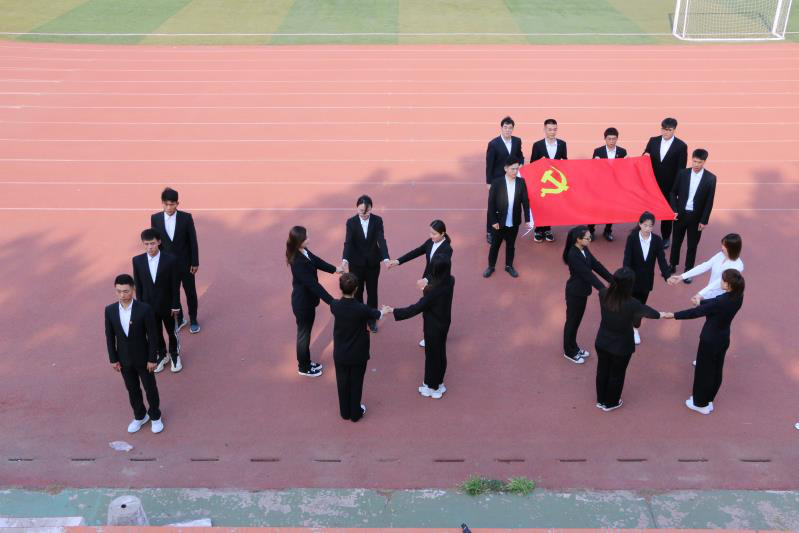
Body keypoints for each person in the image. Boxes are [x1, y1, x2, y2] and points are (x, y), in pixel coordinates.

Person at [664, 269, 745, 415]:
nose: (720, 282)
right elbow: (714, 303)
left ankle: (700, 404)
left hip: (709, 340)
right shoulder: (738, 296)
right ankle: (709, 399)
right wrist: (701, 301)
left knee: (703, 371)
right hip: (723, 337)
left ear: (728, 285)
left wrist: (674, 315)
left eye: (723, 280)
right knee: (716, 369)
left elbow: (695, 313)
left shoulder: (721, 302)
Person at [595, 267, 664, 411]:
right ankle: (611, 403)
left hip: (602, 341)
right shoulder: (633, 304)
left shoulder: (603, 294)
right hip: (621, 347)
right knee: (617, 374)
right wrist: (667, 315)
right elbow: (654, 314)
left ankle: (601, 400)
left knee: (602, 370)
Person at [104, 274, 164, 434]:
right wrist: (113, 359)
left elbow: (153, 336)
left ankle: (155, 416)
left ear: (133, 290)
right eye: (118, 291)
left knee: (150, 388)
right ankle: (140, 416)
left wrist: (152, 358)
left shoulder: (144, 309)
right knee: (132, 389)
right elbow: (109, 336)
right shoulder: (110, 311)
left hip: (144, 359)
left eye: (125, 291)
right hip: (124, 360)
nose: (122, 295)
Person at [329, 273, 390, 422]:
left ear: (341, 288)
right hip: (358, 353)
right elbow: (377, 314)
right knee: (356, 383)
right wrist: (385, 311)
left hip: (340, 353)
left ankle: (345, 412)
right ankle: (355, 413)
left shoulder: (335, 306)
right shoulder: (361, 309)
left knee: (342, 383)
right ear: (356, 289)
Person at [391, 258, 455, 399]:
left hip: (433, 327)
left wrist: (393, 311)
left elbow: (415, 308)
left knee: (432, 356)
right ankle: (438, 382)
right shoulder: (450, 280)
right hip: (443, 323)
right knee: (440, 353)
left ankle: (432, 386)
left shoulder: (432, 291)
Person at [387, 219, 452, 347]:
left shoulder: (447, 250)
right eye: (430, 233)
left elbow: (440, 268)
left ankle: (441, 334)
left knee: (440, 311)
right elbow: (416, 251)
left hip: (439, 284)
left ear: (443, 233)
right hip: (427, 283)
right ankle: (428, 336)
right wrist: (398, 261)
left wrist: (426, 280)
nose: (431, 236)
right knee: (427, 311)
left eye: (434, 234)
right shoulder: (430, 242)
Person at [287, 226, 341, 377]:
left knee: (305, 334)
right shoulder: (298, 262)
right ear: (299, 242)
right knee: (303, 336)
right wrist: (331, 301)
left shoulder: (303, 251)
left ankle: (306, 361)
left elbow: (316, 261)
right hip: (303, 304)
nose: (309, 239)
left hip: (307, 301)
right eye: (306, 238)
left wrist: (335, 269)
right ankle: (303, 367)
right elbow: (313, 285)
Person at [150, 187, 200, 333]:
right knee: (173, 293)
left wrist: (195, 262)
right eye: (166, 204)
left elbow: (193, 241)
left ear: (177, 203)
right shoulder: (155, 218)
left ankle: (194, 319)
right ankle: (181, 318)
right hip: (167, 265)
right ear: (162, 203)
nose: (169, 207)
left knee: (190, 292)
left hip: (186, 263)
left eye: (172, 204)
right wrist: (157, 262)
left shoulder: (186, 218)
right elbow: (156, 242)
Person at [132, 228, 181, 373]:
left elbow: (175, 285)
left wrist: (175, 304)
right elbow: (138, 285)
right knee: (155, 333)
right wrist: (140, 306)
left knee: (172, 332)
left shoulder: (171, 260)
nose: (149, 247)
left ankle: (175, 355)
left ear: (159, 242)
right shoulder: (137, 261)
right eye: (146, 244)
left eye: (152, 243)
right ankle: (162, 355)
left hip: (168, 305)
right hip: (148, 306)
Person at [562, 225, 612, 364]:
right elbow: (587, 274)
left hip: (582, 292)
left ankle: (574, 347)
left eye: (590, 237)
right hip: (574, 294)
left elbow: (596, 265)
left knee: (576, 322)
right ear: (578, 239)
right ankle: (569, 351)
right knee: (572, 322)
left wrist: (612, 279)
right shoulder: (573, 255)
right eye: (587, 238)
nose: (590, 239)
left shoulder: (584, 248)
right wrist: (603, 289)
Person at [341, 195, 390, 333]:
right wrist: (345, 259)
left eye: (367, 211)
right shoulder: (351, 222)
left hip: (373, 264)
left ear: (371, 208)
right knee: (357, 292)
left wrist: (386, 258)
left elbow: (381, 240)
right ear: (357, 208)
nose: (364, 214)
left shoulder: (377, 220)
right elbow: (348, 242)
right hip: (356, 264)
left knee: (372, 292)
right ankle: (359, 318)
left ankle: (371, 319)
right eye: (361, 210)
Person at [668, 149, 717, 282]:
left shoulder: (711, 178)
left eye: (699, 162)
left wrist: (704, 220)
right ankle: (672, 265)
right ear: (692, 159)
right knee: (676, 242)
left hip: (696, 218)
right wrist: (674, 210)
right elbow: (673, 192)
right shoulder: (682, 173)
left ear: (704, 162)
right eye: (694, 161)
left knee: (692, 245)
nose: (696, 165)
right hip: (680, 215)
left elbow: (709, 201)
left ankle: (688, 270)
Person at [622, 212, 671, 345]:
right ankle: (625, 327)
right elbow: (627, 259)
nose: (648, 228)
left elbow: (662, 260)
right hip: (631, 280)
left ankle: (635, 329)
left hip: (646, 281)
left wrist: (667, 276)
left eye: (650, 226)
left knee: (640, 307)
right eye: (645, 225)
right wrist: (625, 276)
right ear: (640, 224)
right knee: (628, 305)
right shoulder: (632, 238)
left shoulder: (657, 240)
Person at [484, 155, 533, 279]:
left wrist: (528, 219)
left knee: (511, 245)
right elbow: (491, 204)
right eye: (512, 169)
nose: (515, 171)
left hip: (514, 221)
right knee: (495, 245)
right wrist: (493, 221)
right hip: (499, 222)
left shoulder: (521, 182)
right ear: (506, 168)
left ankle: (509, 266)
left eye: (517, 169)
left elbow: (525, 201)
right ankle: (491, 266)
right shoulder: (497, 183)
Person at [643, 117, 688, 248]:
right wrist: (645, 154)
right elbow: (645, 156)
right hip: (651, 184)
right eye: (663, 129)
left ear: (674, 130)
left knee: (667, 213)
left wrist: (676, 188)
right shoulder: (653, 141)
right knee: (646, 210)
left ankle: (666, 237)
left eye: (669, 130)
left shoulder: (681, 146)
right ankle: (643, 232)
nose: (665, 132)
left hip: (669, 186)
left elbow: (681, 169)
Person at [668, 233, 744, 305]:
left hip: (721, 299)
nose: (722, 247)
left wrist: (700, 294)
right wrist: (682, 276)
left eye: (725, 246)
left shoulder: (738, 266)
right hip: (709, 293)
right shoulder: (720, 255)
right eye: (723, 244)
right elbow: (704, 266)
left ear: (732, 248)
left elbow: (718, 282)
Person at [485, 116, 524, 244]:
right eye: (505, 127)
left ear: (513, 129)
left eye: (510, 128)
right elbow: (489, 164)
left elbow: (520, 156)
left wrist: (521, 164)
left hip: (512, 178)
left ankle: (506, 230)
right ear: (501, 128)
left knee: (508, 204)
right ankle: (490, 231)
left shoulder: (517, 141)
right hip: (498, 180)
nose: (508, 130)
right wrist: (489, 182)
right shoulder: (493, 144)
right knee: (493, 206)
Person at [529, 118, 567, 243]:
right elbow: (532, 163)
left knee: (551, 205)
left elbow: (565, 161)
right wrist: (540, 163)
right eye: (550, 129)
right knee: (540, 205)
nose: (552, 132)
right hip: (542, 181)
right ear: (545, 130)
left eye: (554, 129)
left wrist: (563, 163)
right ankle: (538, 230)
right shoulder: (537, 145)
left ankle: (547, 229)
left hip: (555, 181)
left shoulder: (562, 144)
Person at [590, 127, 628, 241]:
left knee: (611, 209)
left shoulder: (622, 152)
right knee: (595, 208)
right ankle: (590, 230)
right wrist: (594, 162)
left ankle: (607, 231)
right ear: (605, 139)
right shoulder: (598, 151)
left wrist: (628, 162)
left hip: (614, 186)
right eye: (609, 139)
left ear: (617, 139)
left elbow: (625, 169)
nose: (611, 141)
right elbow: (591, 168)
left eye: (614, 139)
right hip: (600, 186)